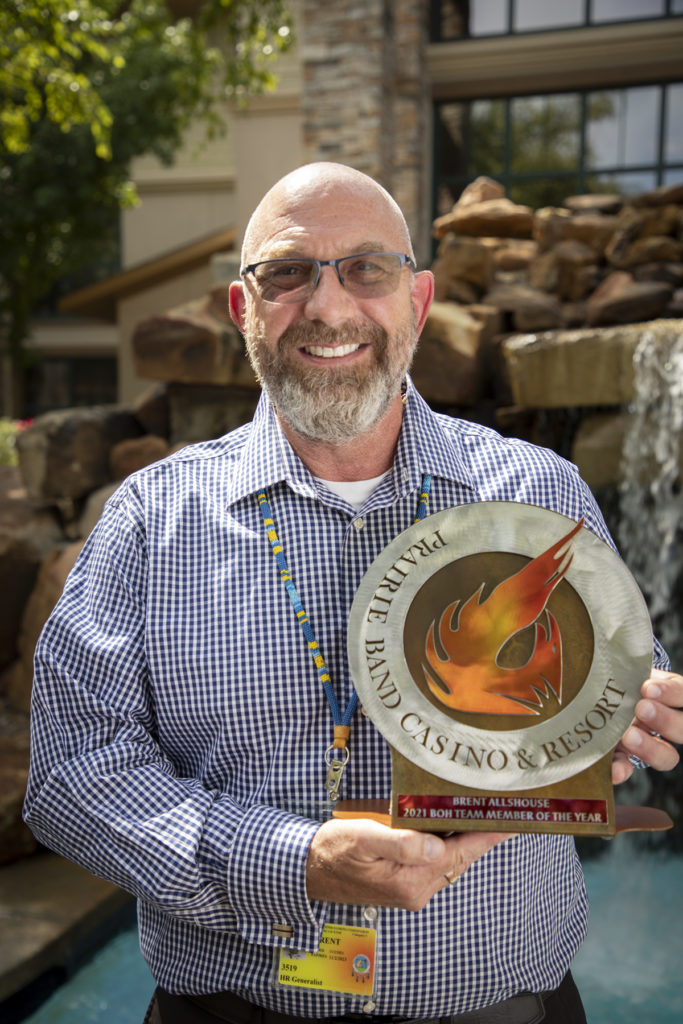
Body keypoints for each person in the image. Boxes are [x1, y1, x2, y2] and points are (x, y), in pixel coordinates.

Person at [24, 163, 682, 1024]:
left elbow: (622, 685)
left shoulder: (541, 492)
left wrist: (642, 717)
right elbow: (71, 775)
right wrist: (290, 861)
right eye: (287, 273)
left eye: (366, 269)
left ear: (417, 299)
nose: (329, 307)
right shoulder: (150, 520)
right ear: (243, 309)